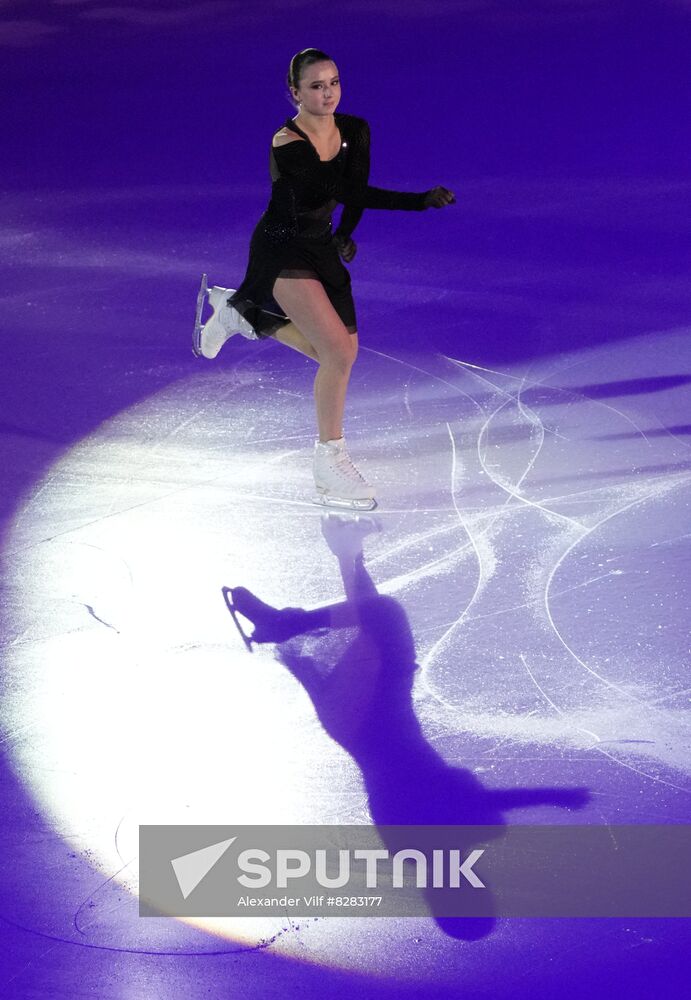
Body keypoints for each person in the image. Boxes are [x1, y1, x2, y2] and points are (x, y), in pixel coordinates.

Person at [193, 48, 455, 510]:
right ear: (294, 93)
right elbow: (342, 189)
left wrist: (346, 235)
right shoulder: (286, 142)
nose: (327, 92)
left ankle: (245, 317)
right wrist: (417, 202)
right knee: (336, 354)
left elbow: (353, 190)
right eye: (316, 86)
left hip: (320, 245)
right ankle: (329, 461)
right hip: (282, 248)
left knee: (342, 353)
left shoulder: (354, 129)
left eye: (333, 82)